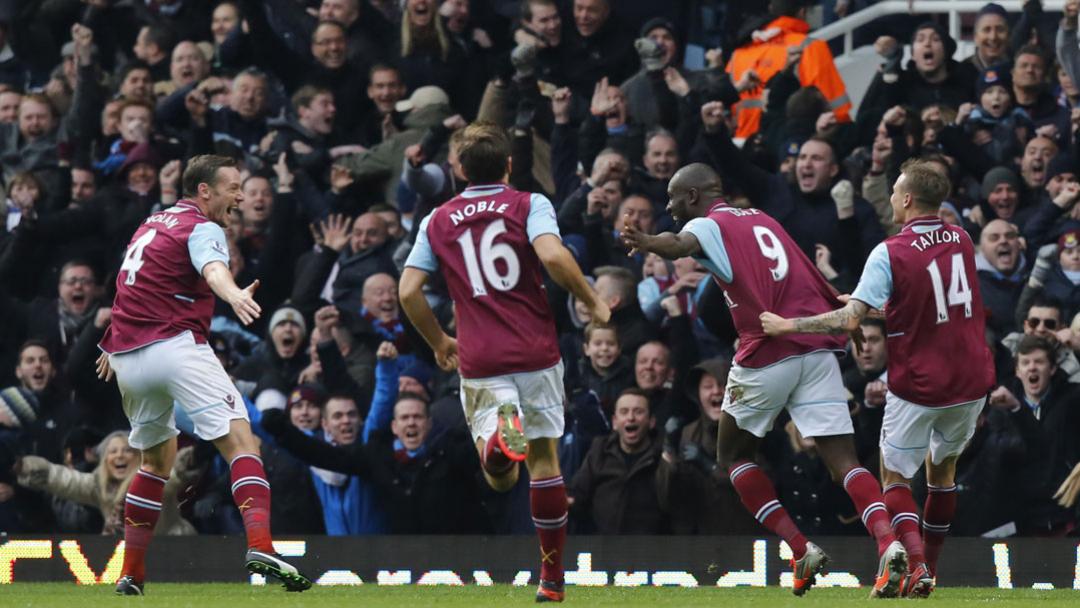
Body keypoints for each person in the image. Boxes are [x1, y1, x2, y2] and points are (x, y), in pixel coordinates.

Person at [621, 162, 905, 598]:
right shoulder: (763, 218)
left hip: (768, 348)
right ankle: (888, 543)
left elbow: (678, 243)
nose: (670, 206)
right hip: (814, 347)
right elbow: (805, 270)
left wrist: (646, 242)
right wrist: (841, 309)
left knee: (733, 456)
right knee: (845, 462)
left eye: (674, 198)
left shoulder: (709, 223)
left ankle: (799, 548)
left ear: (694, 197)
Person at [761, 159, 996, 597]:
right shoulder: (961, 238)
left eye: (893, 192)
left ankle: (917, 565)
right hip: (970, 380)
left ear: (906, 199)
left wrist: (787, 325)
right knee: (942, 474)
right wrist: (876, 305)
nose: (889, 199)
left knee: (894, 479)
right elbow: (933, 304)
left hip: (920, 385)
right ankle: (931, 569)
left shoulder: (890, 251)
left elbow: (850, 321)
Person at [399, 122, 609, 602]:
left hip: (481, 356)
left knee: (499, 478)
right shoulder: (529, 204)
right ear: (510, 165)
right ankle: (552, 581)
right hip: (535, 351)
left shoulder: (437, 219)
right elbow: (553, 257)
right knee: (544, 461)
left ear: (457, 169)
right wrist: (592, 299)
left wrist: (438, 341)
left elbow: (408, 290)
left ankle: (496, 442)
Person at [94, 155, 310, 595]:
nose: (240, 196)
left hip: (130, 359)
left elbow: (130, 283)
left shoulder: (151, 223)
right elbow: (214, 270)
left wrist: (111, 341)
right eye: (233, 187)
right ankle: (262, 545)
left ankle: (131, 572)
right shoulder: (203, 227)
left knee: (155, 462)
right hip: (176, 347)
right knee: (242, 442)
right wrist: (233, 294)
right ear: (204, 191)